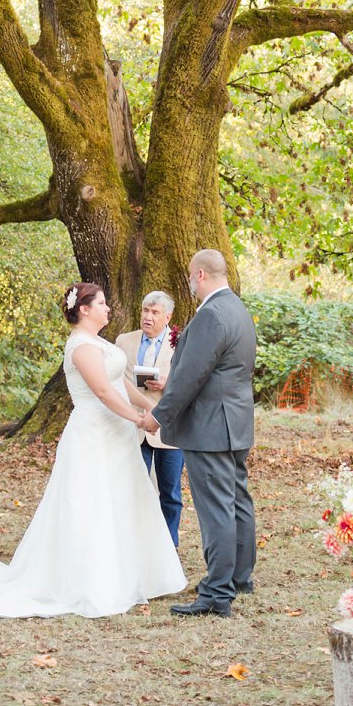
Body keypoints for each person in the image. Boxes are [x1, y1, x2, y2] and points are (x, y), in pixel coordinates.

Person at [0, 284, 185, 619]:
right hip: (93, 433)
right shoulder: (80, 345)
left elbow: (122, 385)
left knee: (123, 500)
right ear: (84, 309)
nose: (108, 308)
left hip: (117, 434)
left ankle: (136, 575)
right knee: (91, 504)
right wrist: (140, 419)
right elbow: (104, 392)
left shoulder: (100, 342)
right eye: (102, 304)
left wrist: (152, 410)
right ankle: (92, 581)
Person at [146, 250, 257, 617]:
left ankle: (217, 592)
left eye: (191, 277)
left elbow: (190, 376)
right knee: (237, 500)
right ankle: (239, 577)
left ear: (199, 275)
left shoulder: (211, 314)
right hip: (234, 422)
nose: (190, 283)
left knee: (216, 509)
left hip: (211, 425)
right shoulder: (237, 309)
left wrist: (159, 416)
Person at [116, 290, 185, 545]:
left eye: (155, 312)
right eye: (145, 310)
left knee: (170, 493)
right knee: (134, 489)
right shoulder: (125, 341)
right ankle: (135, 545)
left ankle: (169, 546)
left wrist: (168, 384)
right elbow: (115, 377)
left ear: (167, 316)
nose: (148, 316)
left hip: (169, 429)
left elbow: (191, 382)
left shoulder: (181, 343)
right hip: (133, 424)